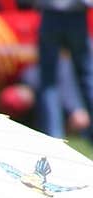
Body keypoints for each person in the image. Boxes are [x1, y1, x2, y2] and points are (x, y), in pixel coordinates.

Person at [33, 1, 93, 138]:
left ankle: (53, 134)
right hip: (77, 13)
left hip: (51, 14)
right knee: (88, 77)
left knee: (49, 81)